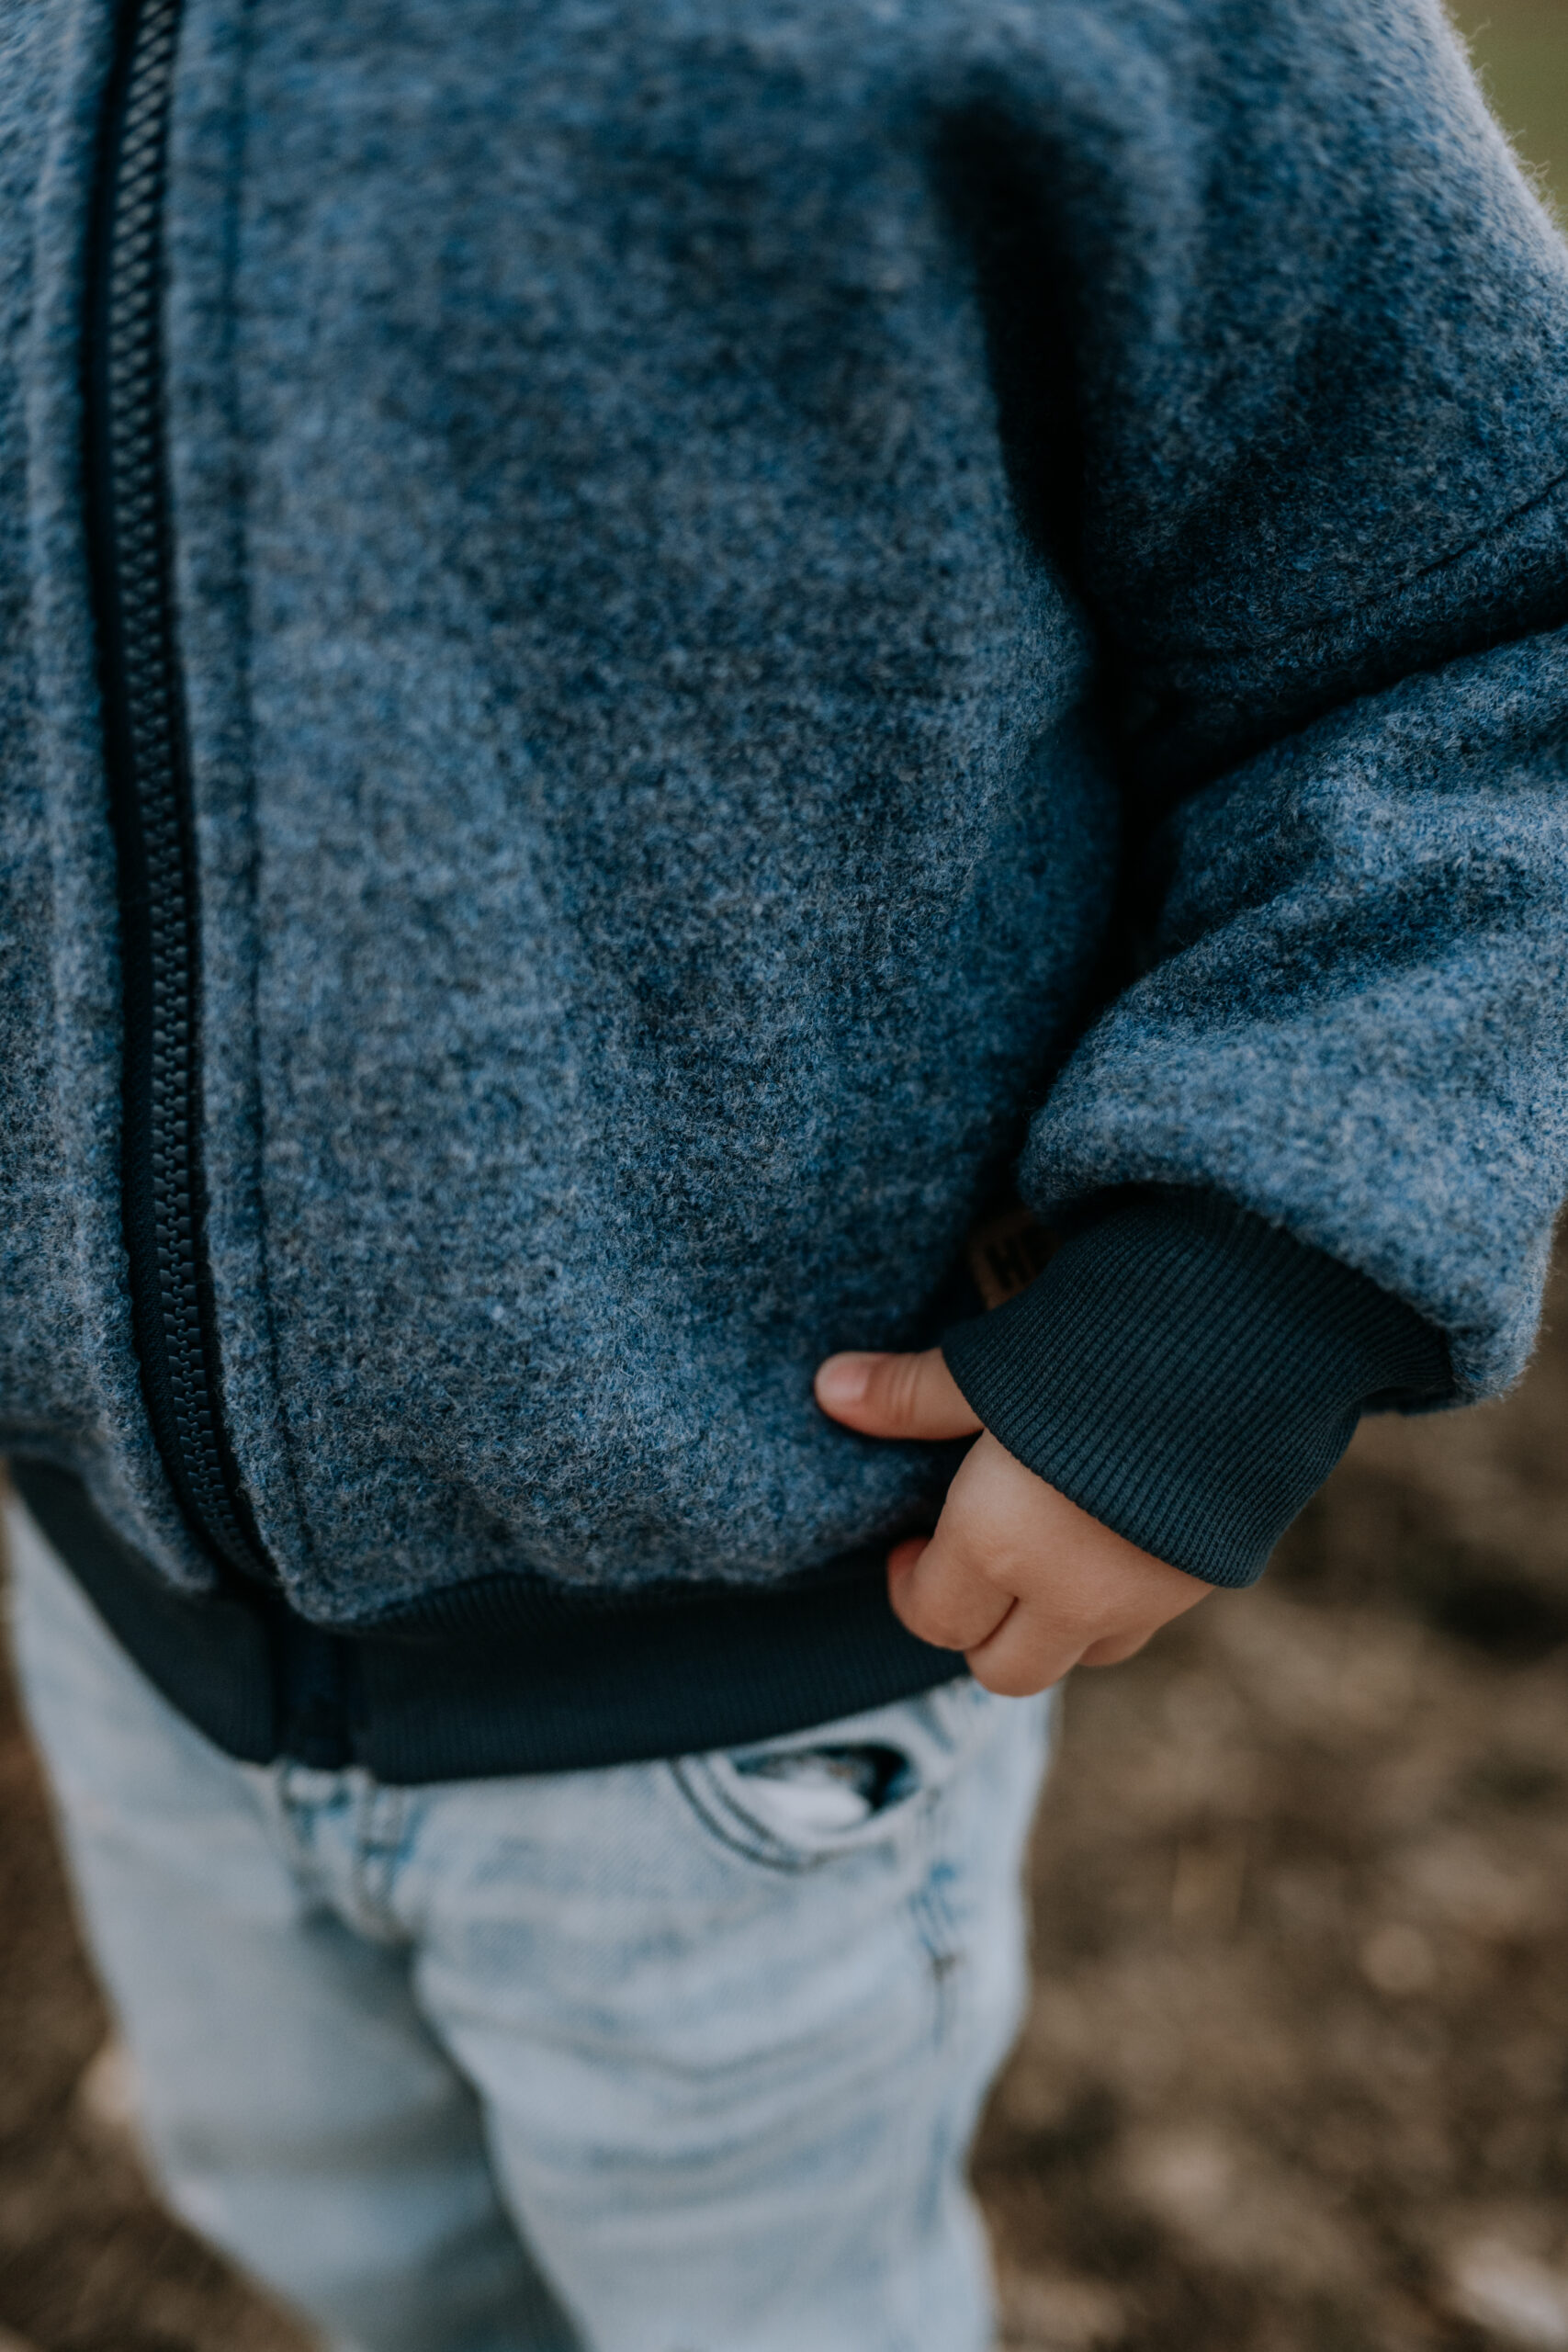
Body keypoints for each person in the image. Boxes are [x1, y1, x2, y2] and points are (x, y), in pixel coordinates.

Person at [3, 0, 1566, 2344]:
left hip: (750, 1684)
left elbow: (1489, 635)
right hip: (114, 1610)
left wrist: (1227, 1303)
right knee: (333, 2227)